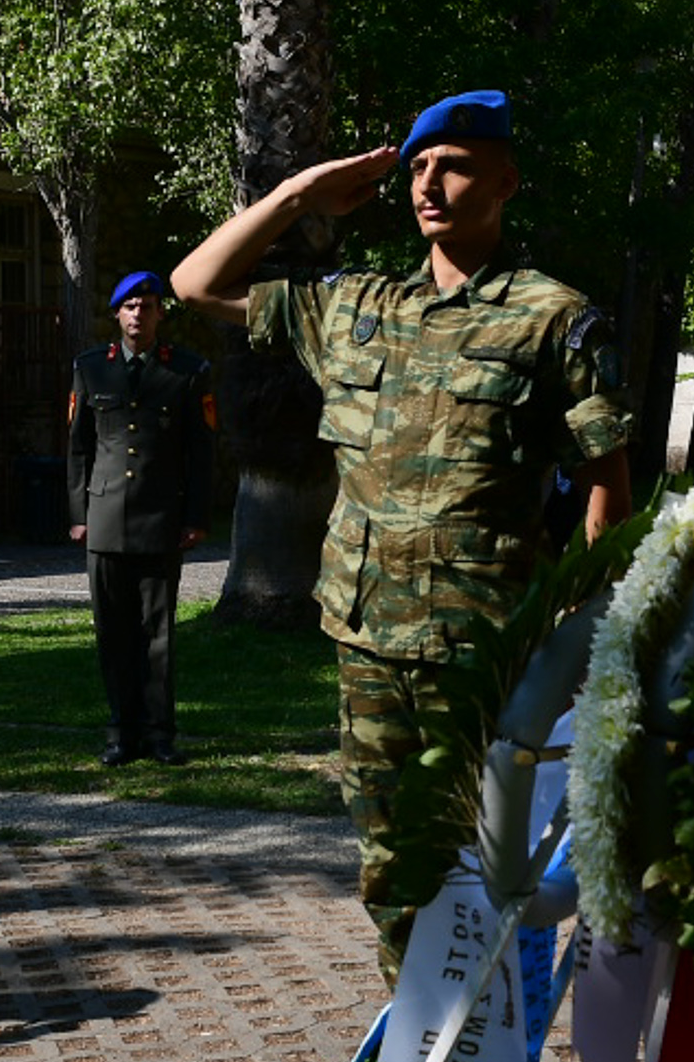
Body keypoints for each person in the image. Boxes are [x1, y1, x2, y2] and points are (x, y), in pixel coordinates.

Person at [170, 90, 632, 970]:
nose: (428, 182)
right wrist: (300, 192)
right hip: (368, 640)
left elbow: (608, 490)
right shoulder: (352, 307)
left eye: (452, 165)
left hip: (488, 649)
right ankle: (412, 1043)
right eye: (417, 167)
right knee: (391, 868)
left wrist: (581, 644)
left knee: (493, 868)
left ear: (504, 181)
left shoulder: (553, 317)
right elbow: (196, 284)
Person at [64, 269, 213, 764]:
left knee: (158, 632)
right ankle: (120, 733)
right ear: (116, 314)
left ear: (159, 314)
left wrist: (195, 516)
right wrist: (78, 514)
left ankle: (159, 734)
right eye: (129, 307)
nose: (137, 314)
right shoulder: (90, 369)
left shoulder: (187, 371)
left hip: (160, 517)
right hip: (104, 519)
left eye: (146, 306)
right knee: (112, 631)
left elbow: (201, 451)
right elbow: (78, 449)